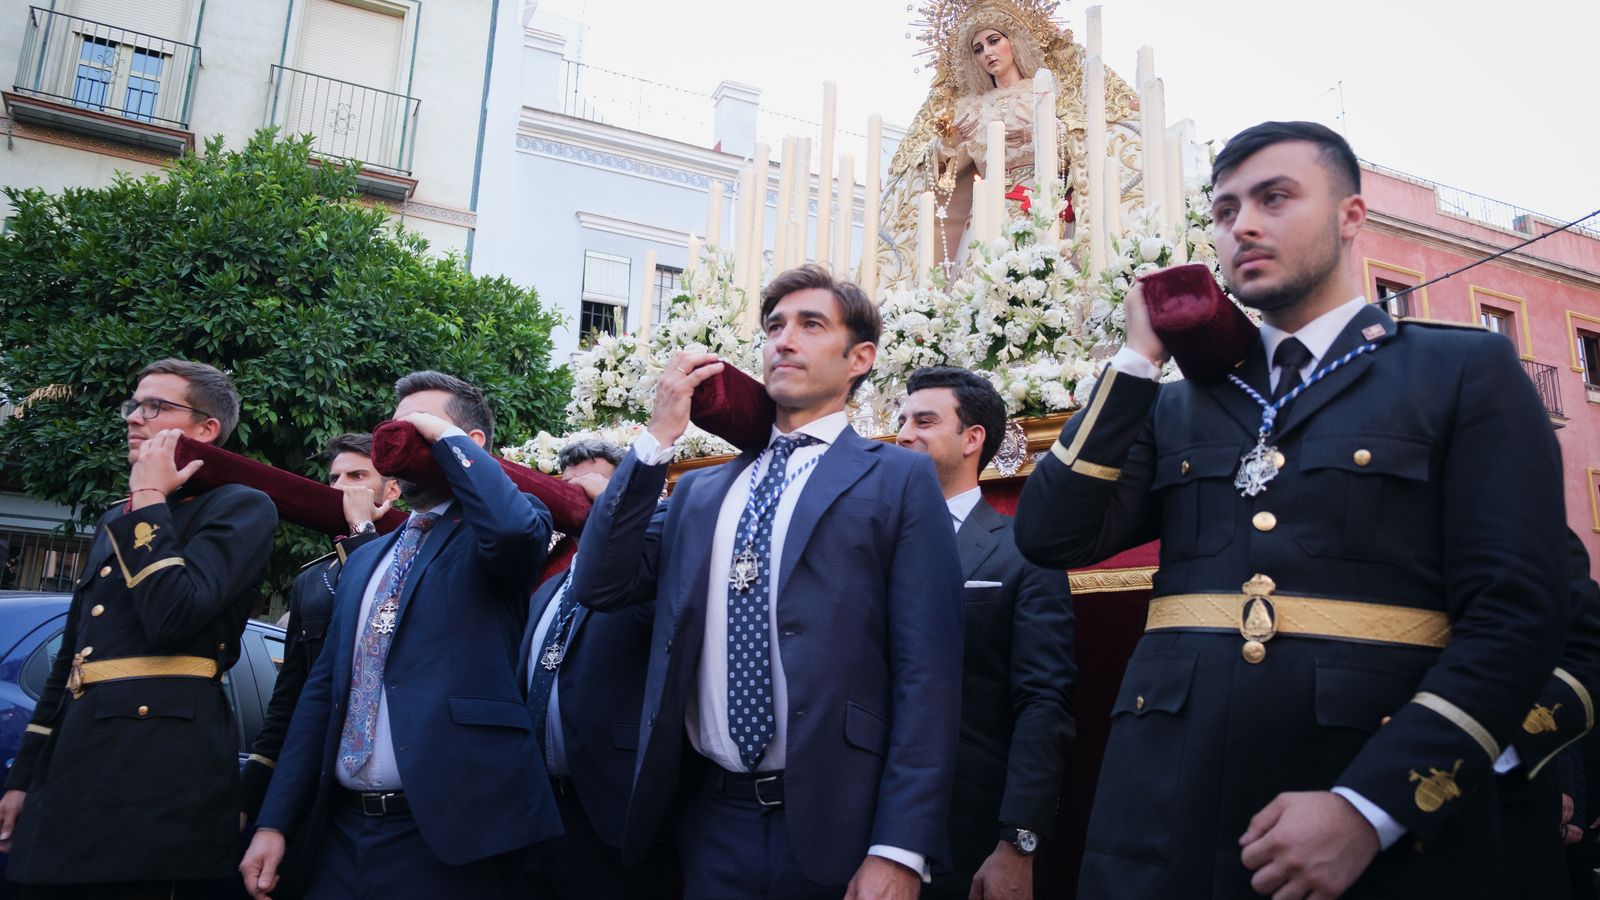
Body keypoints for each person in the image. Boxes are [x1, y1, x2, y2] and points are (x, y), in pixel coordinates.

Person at [1014, 121, 1569, 897]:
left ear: (1351, 216)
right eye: (1224, 209)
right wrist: (1135, 364)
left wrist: (1372, 806)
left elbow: (1514, 619)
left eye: (1275, 199)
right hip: (1159, 817)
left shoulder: (1459, 371)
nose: (1242, 224)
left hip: (1363, 818)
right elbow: (1050, 535)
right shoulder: (1178, 403)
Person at [570, 264, 965, 899]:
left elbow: (930, 675)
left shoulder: (896, 478)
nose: (784, 340)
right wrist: (656, 439)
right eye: (775, 326)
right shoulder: (701, 490)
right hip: (712, 819)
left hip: (843, 820)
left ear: (859, 357)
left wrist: (900, 847)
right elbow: (600, 584)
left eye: (811, 325)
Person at [240, 371, 561, 900]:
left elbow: (512, 533)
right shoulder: (367, 559)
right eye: (396, 426)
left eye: (421, 426)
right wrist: (274, 821)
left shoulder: (499, 531)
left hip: (452, 836)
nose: (402, 438)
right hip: (341, 834)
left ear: (470, 443)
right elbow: (321, 696)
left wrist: (447, 442)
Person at [0, 358, 278, 899]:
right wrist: (22, 778)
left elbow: (174, 616)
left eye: (155, 406)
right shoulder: (119, 517)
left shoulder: (241, 506)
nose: (133, 417)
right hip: (71, 772)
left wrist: (149, 498)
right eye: (134, 404)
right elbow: (72, 661)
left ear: (205, 429)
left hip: (158, 780)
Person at [894, 366, 1075, 900]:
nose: (903, 435)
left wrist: (1018, 841)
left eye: (924, 421)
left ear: (972, 438)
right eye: (902, 420)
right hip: (844, 824)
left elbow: (1043, 703)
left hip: (961, 826)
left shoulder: (1023, 553)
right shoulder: (861, 541)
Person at [238, 433, 401, 890]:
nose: (342, 487)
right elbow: (288, 702)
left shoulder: (420, 563)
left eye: (358, 475)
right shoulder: (312, 581)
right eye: (334, 478)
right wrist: (253, 799)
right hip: (314, 780)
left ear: (392, 490)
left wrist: (363, 532)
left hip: (394, 792)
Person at [521, 439, 674, 899]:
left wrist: (619, 512)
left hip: (612, 806)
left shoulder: (648, 576)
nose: (577, 496)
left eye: (593, 484)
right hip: (539, 808)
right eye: (567, 487)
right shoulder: (546, 589)